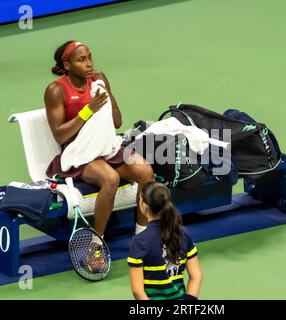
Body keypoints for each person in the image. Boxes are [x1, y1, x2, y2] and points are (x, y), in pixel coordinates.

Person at [44, 40, 154, 239]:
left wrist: (106, 98)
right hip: (81, 153)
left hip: (108, 148)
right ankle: (97, 241)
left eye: (90, 57)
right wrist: (89, 110)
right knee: (110, 179)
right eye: (81, 60)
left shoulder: (99, 79)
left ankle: (142, 235)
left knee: (146, 171)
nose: (89, 64)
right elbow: (60, 134)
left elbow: (117, 121)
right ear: (67, 66)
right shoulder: (56, 90)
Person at [128, 182, 202, 300]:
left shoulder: (139, 242)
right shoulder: (183, 233)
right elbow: (196, 276)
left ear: (144, 206)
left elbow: (137, 291)